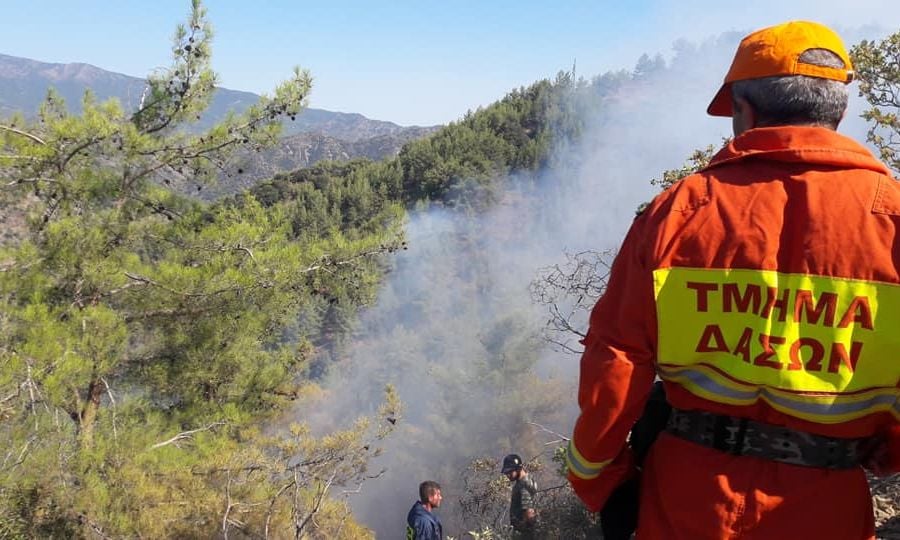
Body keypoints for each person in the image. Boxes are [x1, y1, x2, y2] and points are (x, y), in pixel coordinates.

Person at [565, 20, 900, 540]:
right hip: (827, 504)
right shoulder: (893, 220)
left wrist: (598, 476)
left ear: (744, 109)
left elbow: (618, 359)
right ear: (839, 108)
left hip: (686, 500)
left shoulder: (678, 212)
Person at [501, 453, 538, 537]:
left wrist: (525, 534)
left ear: (518, 469)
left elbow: (529, 512)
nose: (507, 475)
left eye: (510, 472)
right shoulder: (526, 480)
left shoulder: (523, 485)